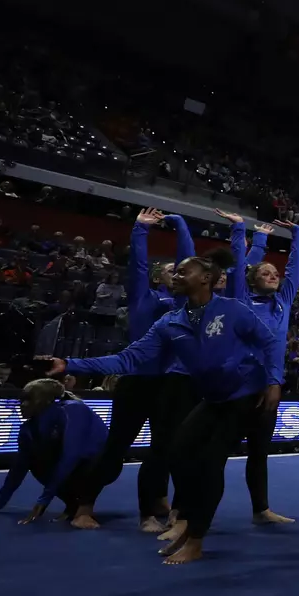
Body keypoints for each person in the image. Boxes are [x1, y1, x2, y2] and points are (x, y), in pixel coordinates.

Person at [51, 248, 279, 565]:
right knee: (178, 451)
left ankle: (195, 539)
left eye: (184, 272)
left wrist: (273, 381)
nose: (177, 275)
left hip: (245, 395)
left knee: (211, 463)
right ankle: (185, 520)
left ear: (207, 279)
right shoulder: (170, 323)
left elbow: (268, 341)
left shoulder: (233, 309)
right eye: (176, 271)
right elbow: (127, 358)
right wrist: (71, 364)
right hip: (213, 398)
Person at [93, 207, 195, 533]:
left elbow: (189, 262)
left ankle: (153, 504)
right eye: (170, 270)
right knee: (117, 446)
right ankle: (83, 505)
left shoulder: (181, 304)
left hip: (167, 383)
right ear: (156, 278)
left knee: (163, 449)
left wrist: (180, 224)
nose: (177, 273)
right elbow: (137, 265)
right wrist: (141, 229)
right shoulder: (143, 297)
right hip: (137, 381)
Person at [228, 216, 299, 526]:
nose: (273, 275)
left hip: (268, 390)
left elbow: (295, 269)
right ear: (252, 278)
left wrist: (297, 234)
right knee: (215, 453)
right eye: (266, 272)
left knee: (259, 453)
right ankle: (186, 515)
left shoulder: (283, 303)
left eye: (275, 273)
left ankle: (261, 509)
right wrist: (240, 232)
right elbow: (236, 266)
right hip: (236, 388)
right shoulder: (241, 300)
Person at [0, 378, 108, 529]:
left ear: (48, 401)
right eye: (22, 400)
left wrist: (45, 498)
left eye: (29, 400)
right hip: (77, 467)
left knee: (93, 459)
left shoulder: (74, 409)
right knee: (36, 462)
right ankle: (72, 504)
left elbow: (72, 454)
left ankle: (84, 510)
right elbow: (19, 467)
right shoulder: (27, 429)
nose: (22, 405)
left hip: (103, 465)